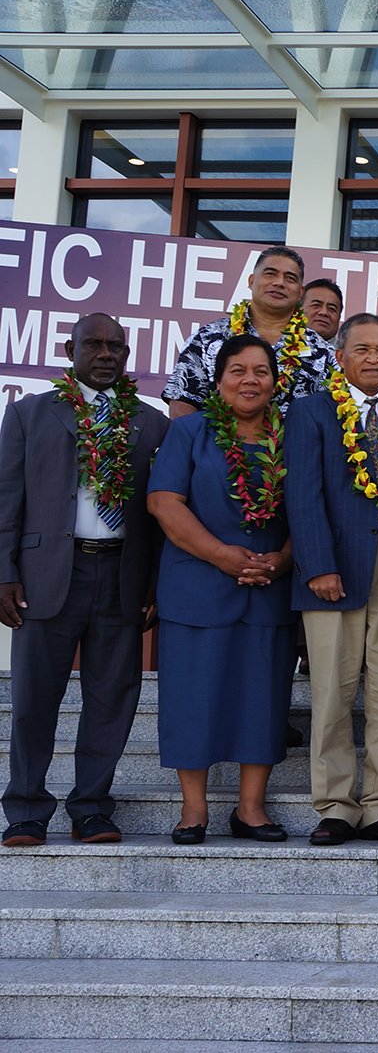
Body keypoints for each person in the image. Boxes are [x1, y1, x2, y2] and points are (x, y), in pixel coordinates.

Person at [0, 315, 167, 848]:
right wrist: (3, 574)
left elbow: (161, 514)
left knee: (112, 698)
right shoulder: (29, 414)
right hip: (46, 576)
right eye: (93, 344)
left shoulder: (151, 423)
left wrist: (155, 582)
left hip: (122, 575)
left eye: (115, 345)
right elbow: (6, 500)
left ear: (127, 354)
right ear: (70, 350)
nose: (105, 353)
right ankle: (26, 810)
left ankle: (91, 808)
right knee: (34, 699)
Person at [147, 335, 297, 845]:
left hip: (269, 587)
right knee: (192, 698)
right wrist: (221, 555)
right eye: (238, 370)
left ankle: (251, 809)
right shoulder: (190, 431)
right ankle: (194, 810)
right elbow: (164, 503)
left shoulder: (292, 435)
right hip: (198, 586)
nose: (249, 380)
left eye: (261, 371)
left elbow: (312, 504)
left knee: (263, 699)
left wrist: (284, 558)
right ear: (218, 382)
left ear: (275, 383)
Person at [286, 314, 378, 847]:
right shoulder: (312, 411)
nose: (373, 358)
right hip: (334, 570)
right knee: (332, 693)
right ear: (340, 356)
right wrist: (318, 565)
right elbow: (302, 494)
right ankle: (336, 806)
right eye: (361, 349)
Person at [164, 246, 335, 417]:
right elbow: (182, 403)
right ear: (251, 281)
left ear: (300, 293)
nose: (279, 283)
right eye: (270, 274)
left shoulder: (323, 353)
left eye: (290, 278)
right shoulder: (207, 339)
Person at [301, 278, 344, 344]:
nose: (324, 312)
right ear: (299, 309)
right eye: (316, 305)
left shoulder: (346, 350)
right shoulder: (283, 343)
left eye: (332, 308)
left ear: (339, 317)